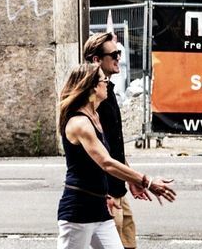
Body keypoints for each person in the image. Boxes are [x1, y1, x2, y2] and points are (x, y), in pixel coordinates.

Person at [57, 63, 175, 249]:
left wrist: (107, 191)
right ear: (93, 86)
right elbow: (106, 162)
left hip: (100, 208)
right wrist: (147, 182)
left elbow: (103, 161)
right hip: (78, 211)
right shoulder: (80, 123)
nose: (108, 84)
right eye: (104, 81)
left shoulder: (95, 116)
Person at [82, 30, 140, 248]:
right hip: (105, 193)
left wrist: (130, 179)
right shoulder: (92, 99)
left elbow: (113, 146)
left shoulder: (109, 91)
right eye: (114, 55)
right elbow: (95, 153)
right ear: (97, 60)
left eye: (119, 53)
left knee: (129, 244)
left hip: (118, 190)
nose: (119, 58)